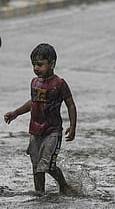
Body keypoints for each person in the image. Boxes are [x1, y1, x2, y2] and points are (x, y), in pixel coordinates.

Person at [3, 43, 77, 196]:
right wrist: (16, 112)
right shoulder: (35, 82)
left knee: (48, 165)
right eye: (34, 65)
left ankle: (63, 185)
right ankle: (40, 193)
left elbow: (70, 104)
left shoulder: (59, 83)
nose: (36, 68)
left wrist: (73, 126)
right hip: (35, 131)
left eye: (40, 64)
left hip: (52, 131)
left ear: (52, 64)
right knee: (36, 166)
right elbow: (34, 102)